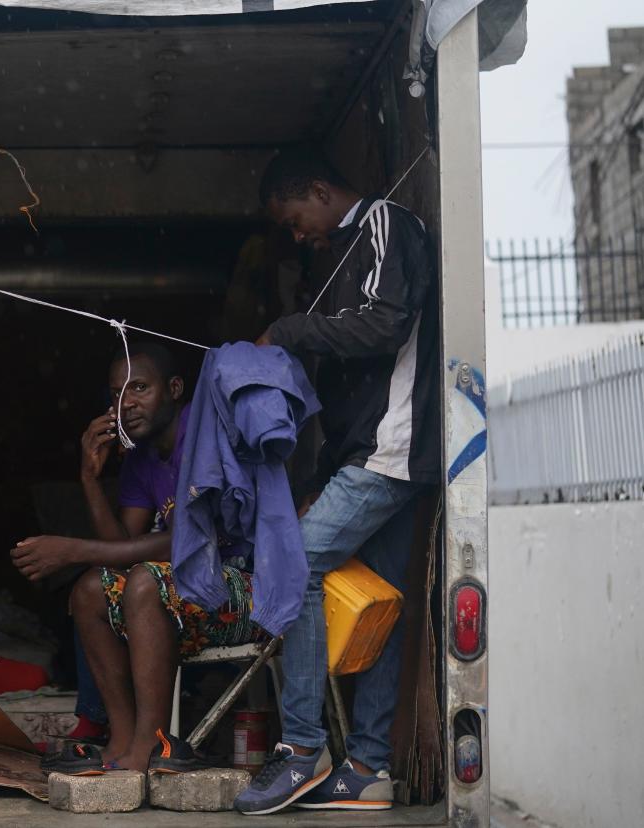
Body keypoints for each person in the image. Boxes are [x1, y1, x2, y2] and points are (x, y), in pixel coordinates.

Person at [232, 147, 438, 815]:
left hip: (391, 450)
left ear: (319, 189)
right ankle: (368, 768)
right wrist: (322, 472)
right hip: (369, 455)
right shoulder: (337, 259)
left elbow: (387, 325)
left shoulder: (387, 225)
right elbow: (349, 385)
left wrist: (288, 331)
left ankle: (300, 749)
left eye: (295, 220)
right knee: (383, 602)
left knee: (294, 566)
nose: (298, 236)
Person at [12, 342, 256, 773]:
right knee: (90, 588)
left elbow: (187, 544)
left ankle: (152, 742)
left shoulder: (202, 440)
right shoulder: (141, 459)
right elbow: (121, 550)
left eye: (139, 388)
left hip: (242, 589)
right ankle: (122, 738)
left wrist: (71, 549)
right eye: (116, 394)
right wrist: (89, 476)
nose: (125, 404)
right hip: (182, 595)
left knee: (144, 581)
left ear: (175, 388)